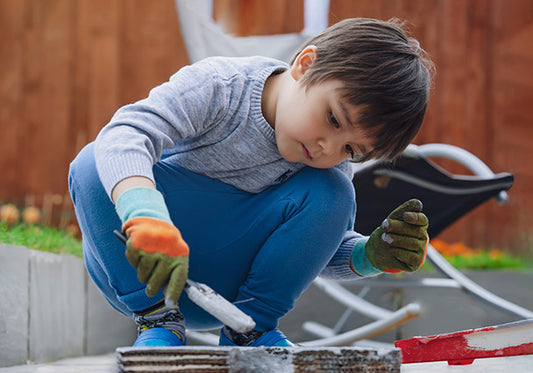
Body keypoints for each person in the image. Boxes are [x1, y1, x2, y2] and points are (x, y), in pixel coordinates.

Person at [69, 17, 433, 348]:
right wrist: (145, 215)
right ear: (306, 65)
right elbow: (126, 132)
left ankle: (250, 332)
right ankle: (157, 322)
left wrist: (369, 256)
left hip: (232, 298)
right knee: (92, 161)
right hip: (145, 269)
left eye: (351, 149)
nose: (328, 149)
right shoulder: (220, 87)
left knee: (334, 194)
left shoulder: (327, 171)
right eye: (334, 119)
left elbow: (313, 251)